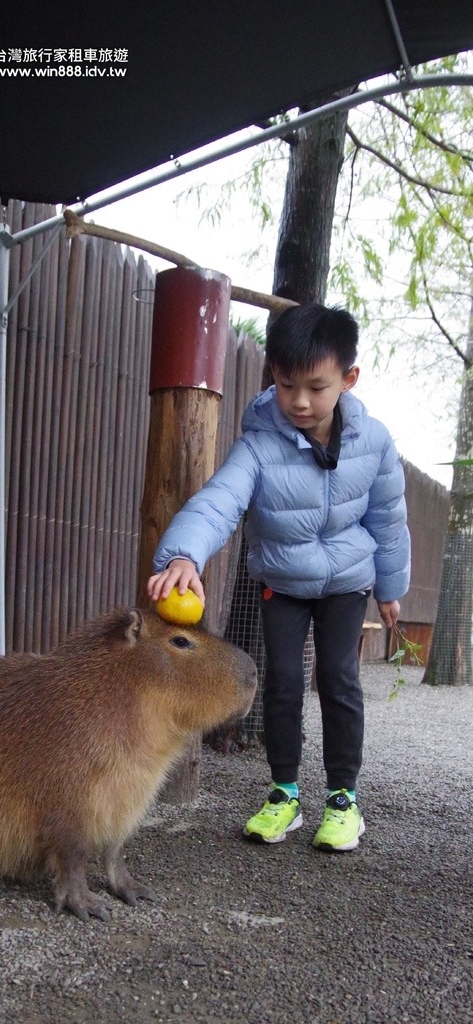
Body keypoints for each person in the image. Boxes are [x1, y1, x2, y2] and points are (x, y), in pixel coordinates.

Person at [147, 303, 410, 852]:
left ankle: (343, 800)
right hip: (283, 581)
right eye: (287, 384)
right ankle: (284, 793)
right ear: (274, 375)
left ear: (348, 379)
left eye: (316, 387)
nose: (299, 401)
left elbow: (388, 518)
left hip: (346, 581)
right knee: (284, 682)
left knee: (338, 678)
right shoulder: (259, 444)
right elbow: (219, 502)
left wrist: (390, 588)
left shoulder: (376, 443)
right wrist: (184, 556)